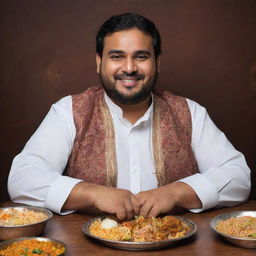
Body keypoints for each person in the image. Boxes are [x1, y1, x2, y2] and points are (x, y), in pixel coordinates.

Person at [8, 13, 251, 220]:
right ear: (99, 62)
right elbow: (22, 179)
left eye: (141, 57)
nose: (129, 68)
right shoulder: (68, 112)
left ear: (157, 62)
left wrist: (177, 192)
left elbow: (238, 176)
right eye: (117, 56)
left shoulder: (189, 112)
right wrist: (91, 193)